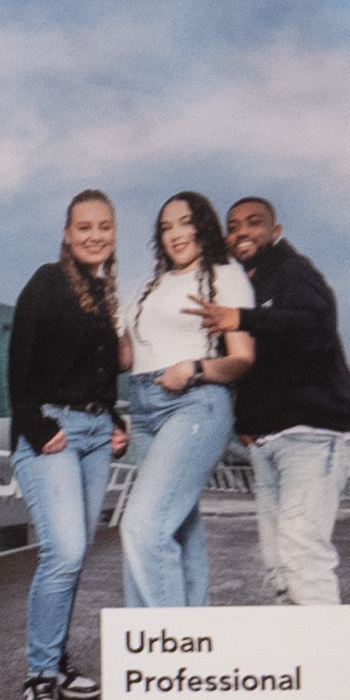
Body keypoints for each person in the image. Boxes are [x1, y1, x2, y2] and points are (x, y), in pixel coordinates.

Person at [1, 187, 131, 700]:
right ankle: (37, 677)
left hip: (97, 433)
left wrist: (115, 421)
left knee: (75, 557)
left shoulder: (103, 295)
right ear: (66, 233)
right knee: (66, 549)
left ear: (113, 233)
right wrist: (35, 425)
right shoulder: (46, 282)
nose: (94, 235)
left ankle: (56, 663)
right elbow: (19, 364)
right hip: (51, 431)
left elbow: (99, 374)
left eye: (104, 227)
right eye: (84, 227)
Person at [217, 193, 350, 611]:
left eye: (253, 222)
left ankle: (328, 670)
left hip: (314, 434)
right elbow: (250, 366)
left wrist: (242, 318)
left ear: (275, 231)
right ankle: (297, 665)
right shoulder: (243, 287)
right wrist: (246, 423)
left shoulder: (292, 269)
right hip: (268, 442)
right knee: (279, 565)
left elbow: (315, 324)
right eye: (233, 226)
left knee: (302, 551)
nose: (242, 232)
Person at [110, 192, 256, 620]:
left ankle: (170, 652)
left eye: (185, 222)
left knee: (141, 526)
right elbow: (125, 357)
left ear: (203, 226)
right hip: (143, 407)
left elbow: (242, 359)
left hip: (194, 402)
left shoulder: (224, 276)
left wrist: (193, 368)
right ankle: (190, 637)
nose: (175, 233)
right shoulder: (148, 286)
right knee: (179, 530)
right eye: (166, 226)